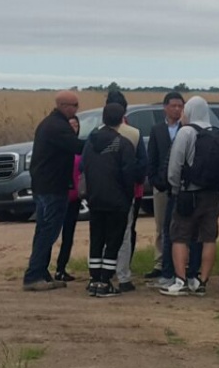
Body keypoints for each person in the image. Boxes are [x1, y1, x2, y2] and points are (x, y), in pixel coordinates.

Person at [22, 90, 86, 291]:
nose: (76, 109)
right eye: (74, 105)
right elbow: (77, 146)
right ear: (64, 106)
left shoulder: (48, 123)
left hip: (43, 185)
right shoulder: (58, 126)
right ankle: (33, 276)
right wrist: (100, 142)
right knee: (48, 232)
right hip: (53, 187)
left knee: (43, 229)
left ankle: (41, 273)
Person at [161, 95, 219, 296]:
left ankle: (180, 281)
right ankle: (202, 281)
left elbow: (175, 166)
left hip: (188, 193)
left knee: (180, 236)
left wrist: (175, 188)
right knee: (208, 238)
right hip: (212, 193)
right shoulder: (218, 132)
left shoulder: (186, 132)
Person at [81, 101, 142, 296]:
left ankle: (94, 279)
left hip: (95, 198)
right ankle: (105, 281)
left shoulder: (90, 142)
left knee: (96, 239)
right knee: (114, 241)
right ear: (122, 119)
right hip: (117, 200)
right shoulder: (123, 144)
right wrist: (127, 197)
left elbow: (84, 167)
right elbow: (128, 173)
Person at [104, 89, 147, 288]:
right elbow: (142, 164)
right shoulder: (134, 133)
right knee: (126, 233)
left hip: (102, 191)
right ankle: (123, 274)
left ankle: (102, 273)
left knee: (102, 232)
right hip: (129, 191)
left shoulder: (96, 133)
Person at [144, 91, 186, 281]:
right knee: (161, 226)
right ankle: (160, 263)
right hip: (161, 185)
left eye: (180, 106)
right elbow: (152, 157)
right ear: (165, 107)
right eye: (173, 106)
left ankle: (182, 263)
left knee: (182, 226)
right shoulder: (157, 129)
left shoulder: (186, 129)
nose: (177, 109)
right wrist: (155, 180)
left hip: (182, 186)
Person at [54, 113, 83, 283]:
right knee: (53, 233)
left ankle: (61, 268)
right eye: (71, 125)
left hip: (75, 198)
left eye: (76, 125)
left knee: (68, 234)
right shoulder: (60, 146)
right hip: (61, 195)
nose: (74, 128)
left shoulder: (80, 147)